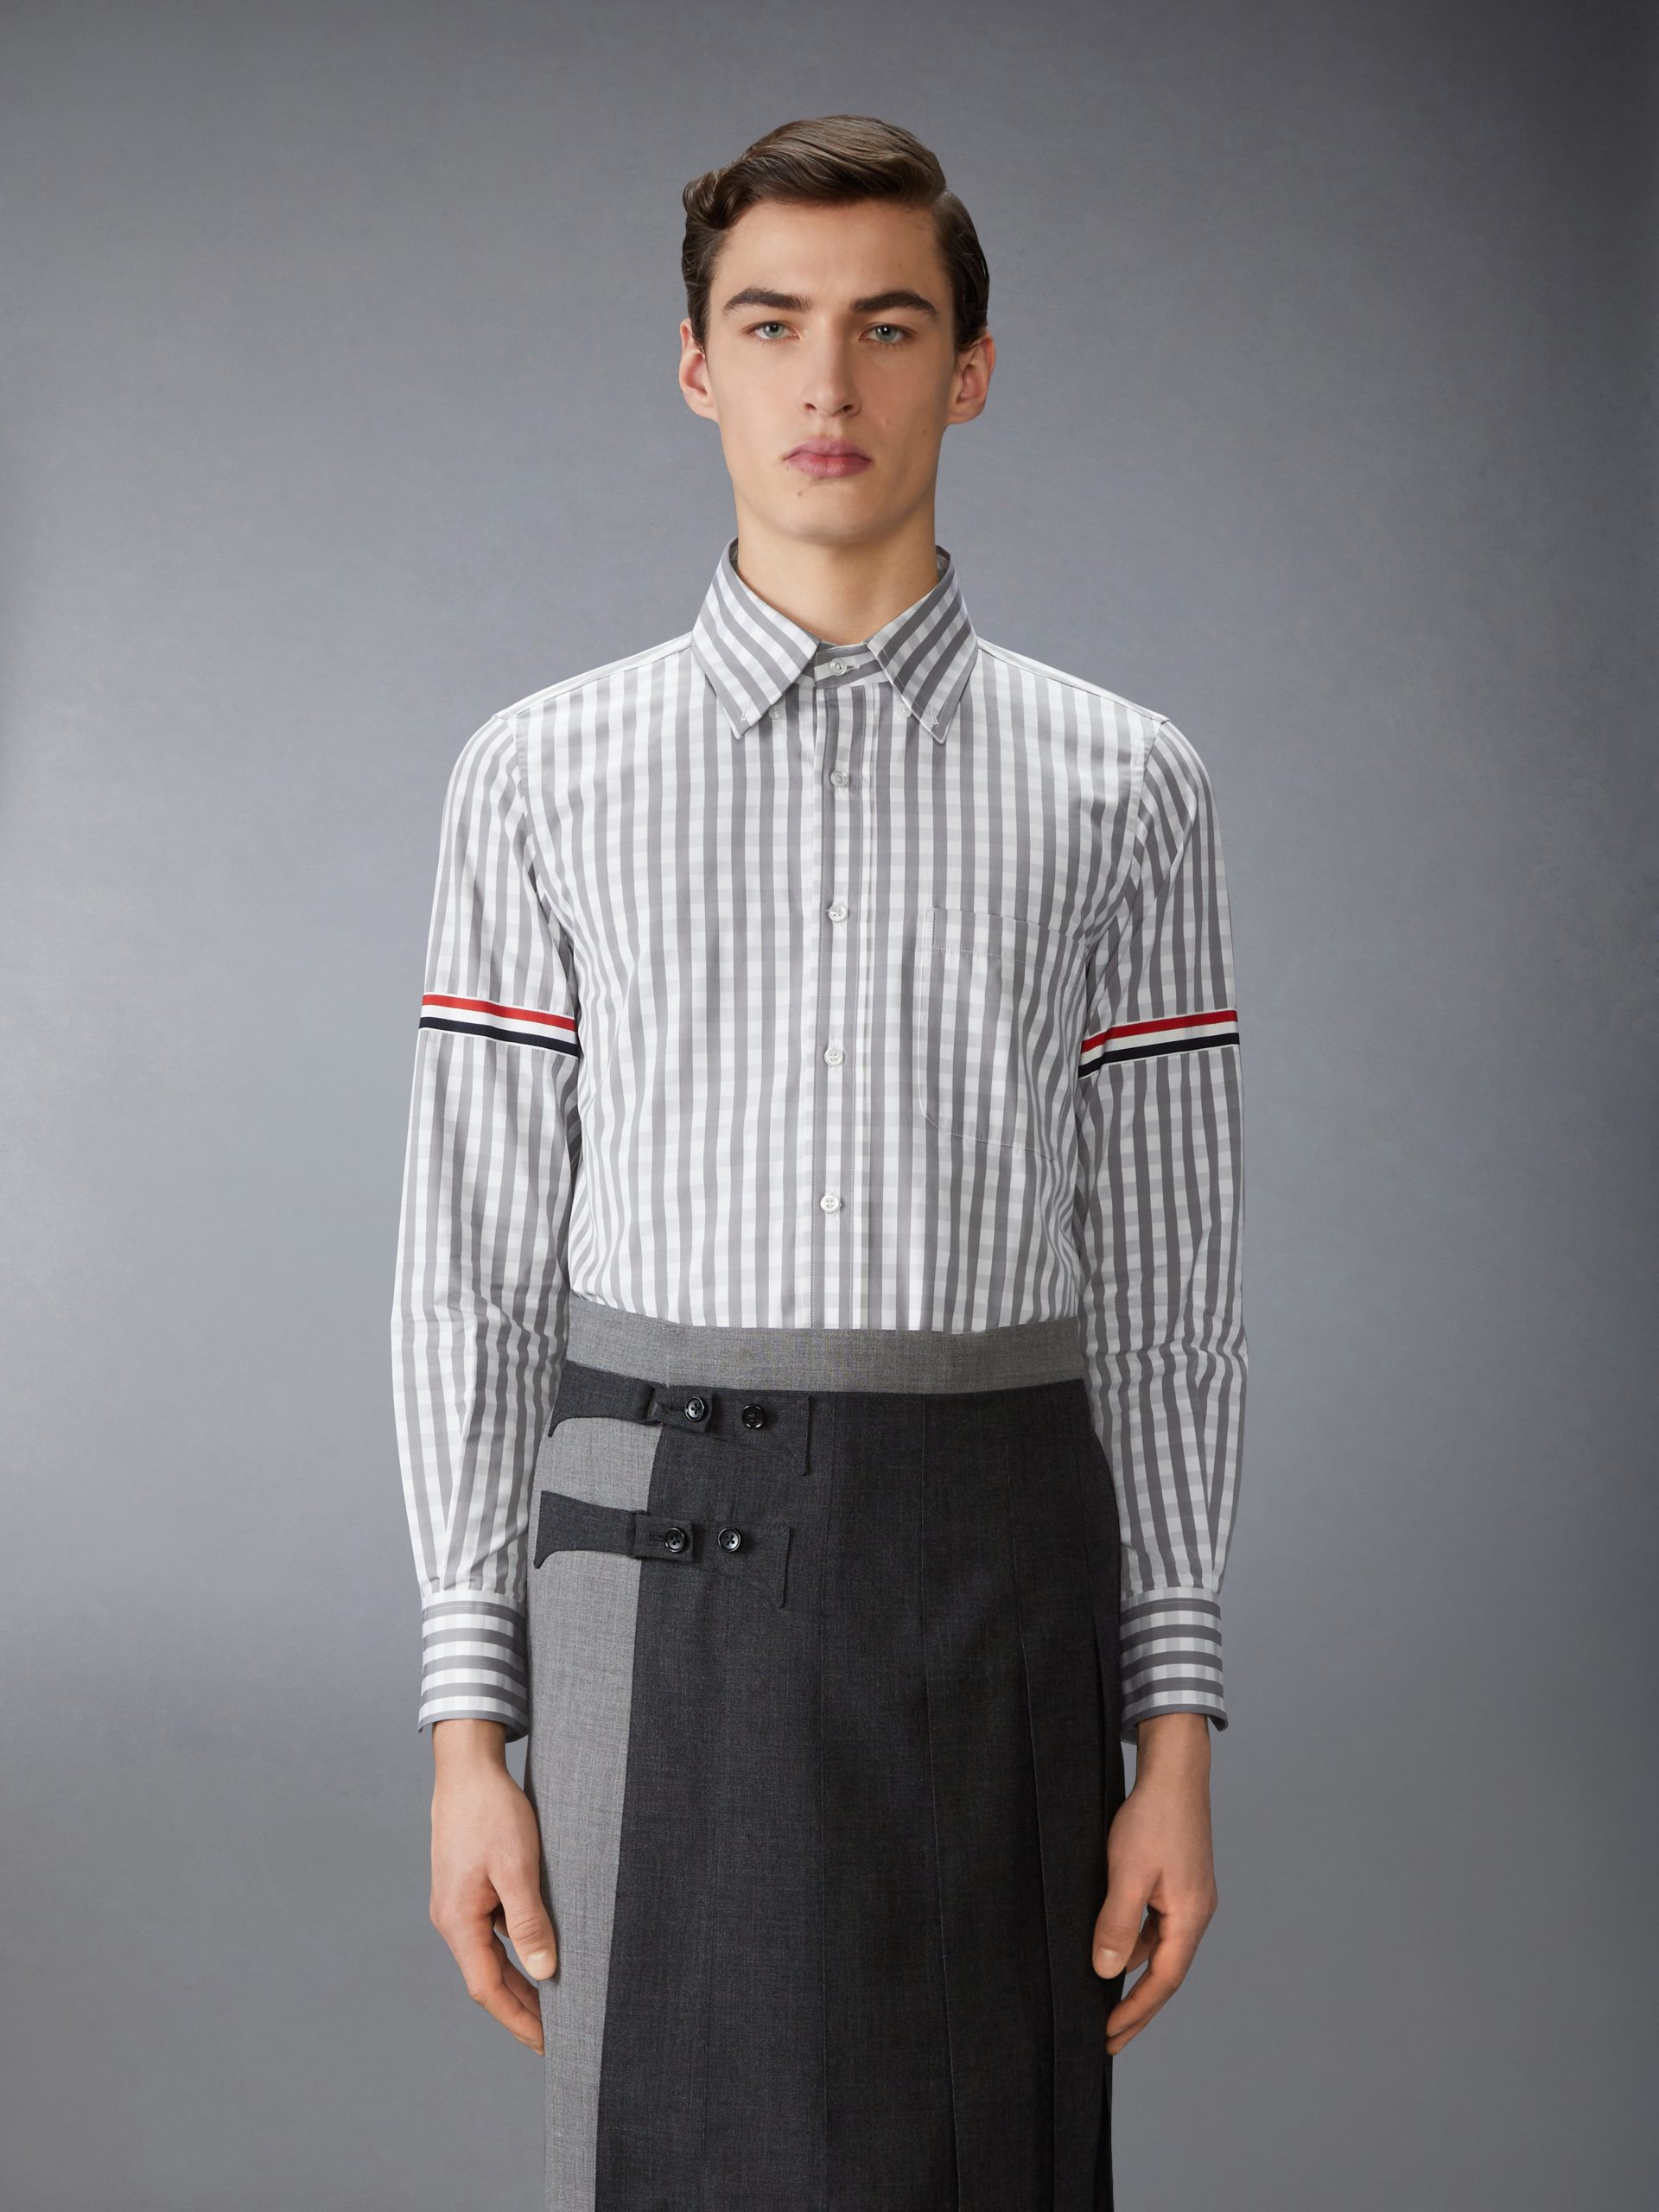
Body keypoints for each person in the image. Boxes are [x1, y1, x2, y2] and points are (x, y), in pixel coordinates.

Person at [390, 111, 1247, 2212]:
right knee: (673, 2158)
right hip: (653, 1574)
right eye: (771, 324)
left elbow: (1172, 1293)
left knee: (991, 2163)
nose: (827, 380)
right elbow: (471, 1274)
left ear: (972, 367)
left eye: (890, 324)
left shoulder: (1126, 780)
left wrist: (1178, 1733)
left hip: (1001, 1571)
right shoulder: (541, 774)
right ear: (699, 366)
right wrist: (467, 1728)